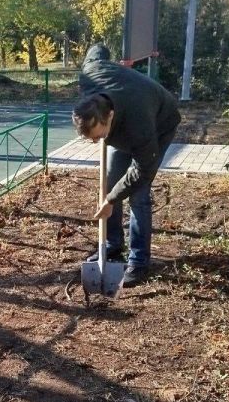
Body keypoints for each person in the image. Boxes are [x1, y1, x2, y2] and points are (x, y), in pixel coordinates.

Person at [72, 44, 181, 286]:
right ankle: (112, 244)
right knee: (111, 181)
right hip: (126, 112)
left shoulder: (139, 128)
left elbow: (141, 171)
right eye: (89, 139)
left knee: (137, 194)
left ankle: (139, 261)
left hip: (160, 121)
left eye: (98, 137)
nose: (95, 143)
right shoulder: (90, 74)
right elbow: (98, 49)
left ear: (109, 116)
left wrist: (111, 200)